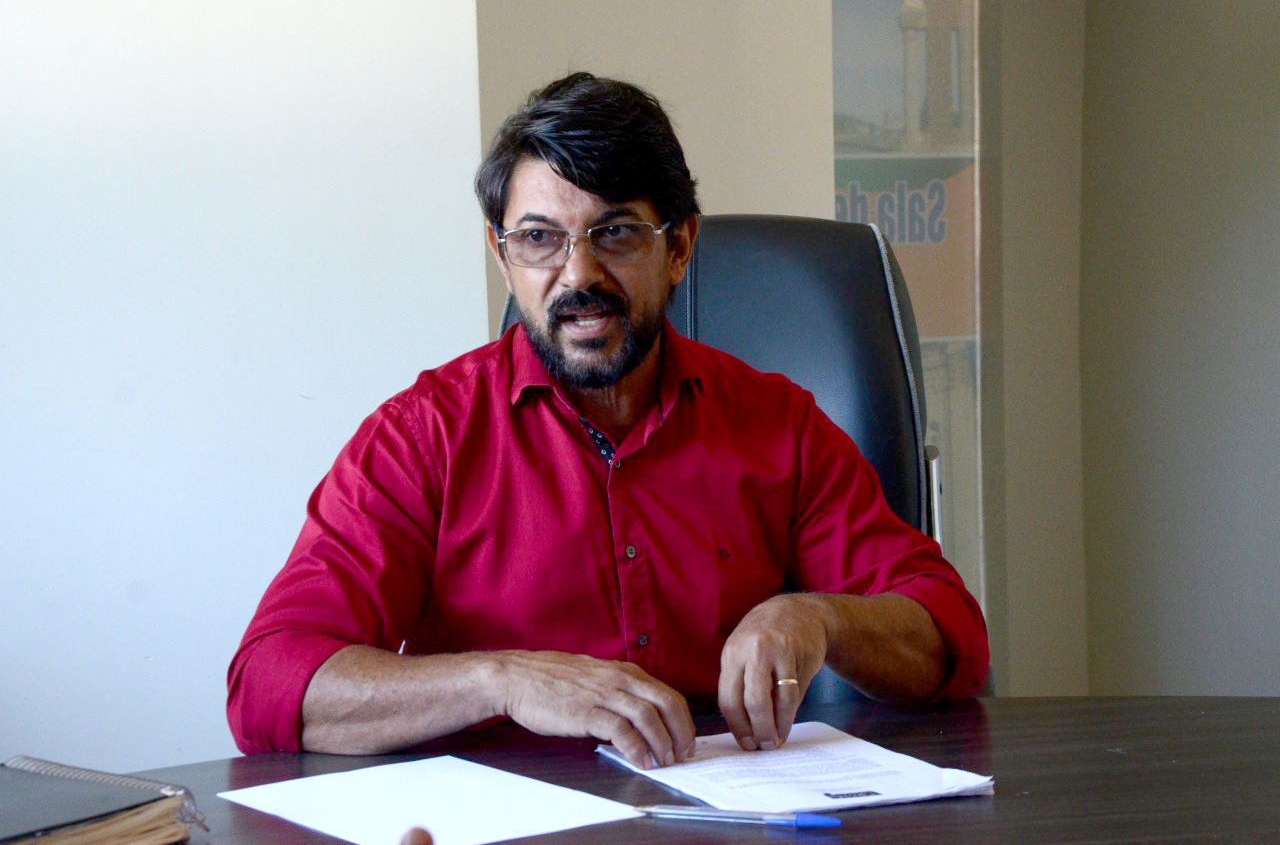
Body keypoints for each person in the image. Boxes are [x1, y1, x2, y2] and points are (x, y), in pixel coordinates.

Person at [227, 72, 988, 770]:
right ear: (502, 256)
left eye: (615, 232)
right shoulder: (422, 437)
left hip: (727, 813)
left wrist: (819, 619)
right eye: (539, 239)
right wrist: (502, 679)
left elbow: (951, 636)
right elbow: (269, 682)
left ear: (679, 247)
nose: (579, 274)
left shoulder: (778, 424)